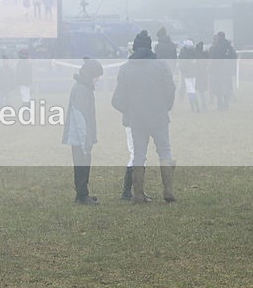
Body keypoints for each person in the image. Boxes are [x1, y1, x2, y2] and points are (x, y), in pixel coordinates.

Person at [112, 30, 177, 203]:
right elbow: (170, 90)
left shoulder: (125, 69)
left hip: (137, 120)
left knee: (139, 156)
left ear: (134, 48)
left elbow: (117, 99)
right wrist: (165, 107)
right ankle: (168, 191)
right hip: (159, 117)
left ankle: (138, 194)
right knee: (165, 152)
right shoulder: (162, 66)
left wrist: (129, 110)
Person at [62, 59, 103, 205]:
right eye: (97, 76)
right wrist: (86, 140)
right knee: (82, 164)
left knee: (81, 164)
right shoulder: (82, 89)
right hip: (80, 137)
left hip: (80, 136)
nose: (98, 79)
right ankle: (82, 196)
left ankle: (82, 194)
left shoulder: (83, 87)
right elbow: (80, 117)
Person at [209, 31, 237, 111]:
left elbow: (212, 58)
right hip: (227, 71)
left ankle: (220, 105)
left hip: (217, 71)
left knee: (218, 88)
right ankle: (226, 105)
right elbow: (234, 57)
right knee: (227, 87)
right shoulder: (229, 47)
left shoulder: (215, 47)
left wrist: (210, 69)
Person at [178, 39, 200, 112]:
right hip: (194, 74)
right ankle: (196, 107)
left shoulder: (183, 54)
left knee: (190, 91)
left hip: (187, 75)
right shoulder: (195, 53)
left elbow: (181, 65)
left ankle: (194, 108)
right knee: (192, 90)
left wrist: (183, 71)